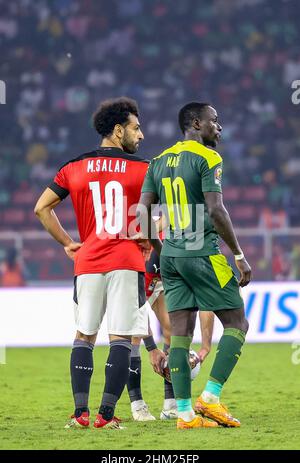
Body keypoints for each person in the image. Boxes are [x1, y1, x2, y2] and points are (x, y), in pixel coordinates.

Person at [34, 97, 164, 430]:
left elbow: (41, 209)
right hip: (126, 261)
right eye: (136, 128)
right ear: (118, 130)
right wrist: (147, 240)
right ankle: (107, 415)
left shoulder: (73, 167)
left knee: (84, 337)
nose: (142, 135)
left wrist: (67, 243)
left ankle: (80, 414)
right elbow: (150, 216)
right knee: (121, 339)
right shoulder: (144, 169)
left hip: (88, 261)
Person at [138, 102, 251, 430]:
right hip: (202, 253)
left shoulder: (157, 162)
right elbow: (216, 210)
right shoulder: (208, 157)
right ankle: (211, 398)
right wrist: (239, 255)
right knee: (237, 322)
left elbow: (142, 212)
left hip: (171, 257)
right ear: (196, 123)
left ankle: (185, 414)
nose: (219, 127)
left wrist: (161, 250)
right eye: (215, 121)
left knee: (180, 334)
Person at [127, 238, 215, 422]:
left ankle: (171, 404)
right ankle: (137, 404)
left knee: (174, 330)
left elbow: (207, 303)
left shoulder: (196, 262)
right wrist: (151, 348)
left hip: (167, 278)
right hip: (142, 277)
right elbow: (137, 307)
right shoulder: (150, 259)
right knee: (133, 334)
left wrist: (206, 346)